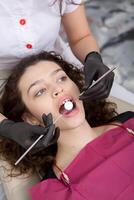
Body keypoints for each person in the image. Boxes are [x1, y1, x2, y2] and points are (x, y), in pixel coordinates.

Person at [0, 51, 134, 199]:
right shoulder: (53, 191)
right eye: (40, 91)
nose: (58, 89)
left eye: (61, 78)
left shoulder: (130, 122)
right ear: (30, 119)